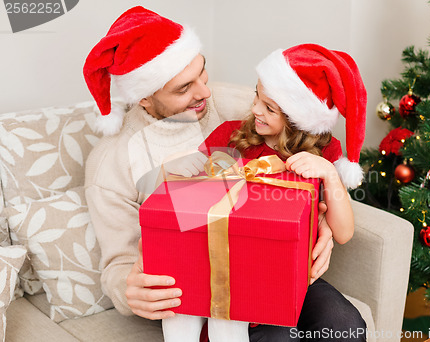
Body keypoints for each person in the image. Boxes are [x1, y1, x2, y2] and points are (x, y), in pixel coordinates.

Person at [83, 6, 350, 342]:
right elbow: (118, 264)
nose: (205, 92)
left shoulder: (236, 105)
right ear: (145, 99)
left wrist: (320, 220)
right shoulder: (111, 163)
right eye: (183, 88)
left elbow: (309, 144)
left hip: (271, 263)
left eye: (203, 73)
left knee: (344, 323)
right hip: (195, 288)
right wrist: (130, 289)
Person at [165, 43, 367, 342]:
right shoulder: (230, 137)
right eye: (256, 96)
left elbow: (344, 233)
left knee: (347, 325)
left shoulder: (325, 151)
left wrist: (329, 174)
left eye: (269, 107)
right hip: (237, 275)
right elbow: (191, 201)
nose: (256, 109)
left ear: (300, 119)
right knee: (280, 337)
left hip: (297, 277)